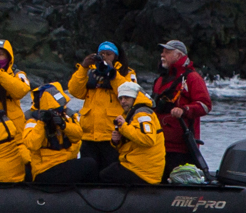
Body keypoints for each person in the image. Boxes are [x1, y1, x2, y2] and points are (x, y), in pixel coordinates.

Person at [65, 41, 138, 177]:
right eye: (101, 54)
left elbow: (129, 93)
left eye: (108, 54)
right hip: (89, 134)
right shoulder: (91, 72)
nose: (104, 57)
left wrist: (113, 74)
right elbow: (75, 91)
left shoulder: (126, 73)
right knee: (89, 173)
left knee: (108, 173)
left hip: (111, 134)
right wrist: (83, 67)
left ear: (116, 56)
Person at [150, 38, 212, 172]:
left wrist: (185, 110)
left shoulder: (192, 78)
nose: (162, 55)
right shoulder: (160, 80)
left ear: (178, 55)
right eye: (162, 52)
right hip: (158, 143)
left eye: (167, 52)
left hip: (181, 147)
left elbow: (205, 105)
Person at [103, 81, 167, 185]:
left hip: (144, 171)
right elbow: (133, 141)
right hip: (138, 165)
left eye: (127, 98)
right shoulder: (132, 114)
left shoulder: (142, 114)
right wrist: (117, 141)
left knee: (105, 174)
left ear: (134, 98)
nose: (123, 101)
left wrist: (124, 127)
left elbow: (148, 139)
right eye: (121, 98)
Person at [23, 84, 86, 184]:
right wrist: (43, 122)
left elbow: (78, 135)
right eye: (56, 110)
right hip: (45, 169)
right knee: (90, 165)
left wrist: (63, 125)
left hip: (63, 163)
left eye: (60, 109)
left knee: (89, 163)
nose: (58, 112)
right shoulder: (33, 121)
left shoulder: (66, 117)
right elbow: (32, 144)